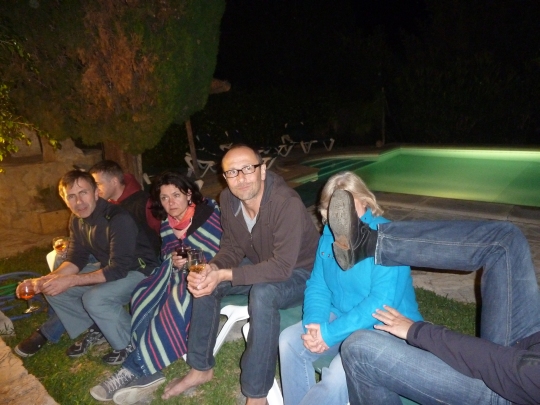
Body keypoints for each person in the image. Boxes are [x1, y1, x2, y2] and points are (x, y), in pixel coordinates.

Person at [328, 189, 540, 404]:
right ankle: (369, 242)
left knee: (359, 350)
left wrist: (417, 331)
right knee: (505, 242)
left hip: (509, 390)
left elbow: (499, 364)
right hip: (531, 344)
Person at [161, 144, 320, 405]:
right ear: (225, 177)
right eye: (232, 172)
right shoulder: (228, 199)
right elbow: (232, 247)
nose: (241, 178)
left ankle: (256, 394)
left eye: (248, 169)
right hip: (261, 262)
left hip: (302, 273)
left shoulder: (285, 203)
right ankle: (200, 368)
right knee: (207, 280)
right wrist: (214, 269)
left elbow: (281, 267)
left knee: (263, 293)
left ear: (262, 171)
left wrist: (226, 274)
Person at [279, 173, 422, 405]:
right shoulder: (328, 237)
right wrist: (315, 325)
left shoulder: (388, 237)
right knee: (289, 341)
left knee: (339, 373)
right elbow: (318, 285)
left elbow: (381, 303)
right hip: (341, 317)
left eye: (346, 204)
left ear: (364, 201)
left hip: (386, 327)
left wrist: (329, 333)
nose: (340, 213)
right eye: (333, 207)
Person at [90, 171, 222, 403]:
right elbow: (166, 252)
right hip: (174, 274)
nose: (170, 202)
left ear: (188, 194)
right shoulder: (167, 223)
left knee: (178, 299)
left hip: (208, 274)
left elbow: (220, 249)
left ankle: (133, 369)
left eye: (176, 195)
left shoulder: (209, 214)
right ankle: (148, 366)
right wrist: (173, 258)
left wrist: (195, 259)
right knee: (143, 293)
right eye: (164, 198)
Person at [15, 161, 160, 365]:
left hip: (142, 271)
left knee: (95, 299)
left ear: (96, 193)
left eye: (83, 193)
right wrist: (43, 280)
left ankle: (131, 345)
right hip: (112, 268)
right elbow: (76, 259)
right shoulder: (77, 220)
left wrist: (72, 280)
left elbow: (118, 270)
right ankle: (98, 328)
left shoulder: (118, 218)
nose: (78, 201)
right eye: (71, 196)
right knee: (54, 289)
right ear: (65, 201)